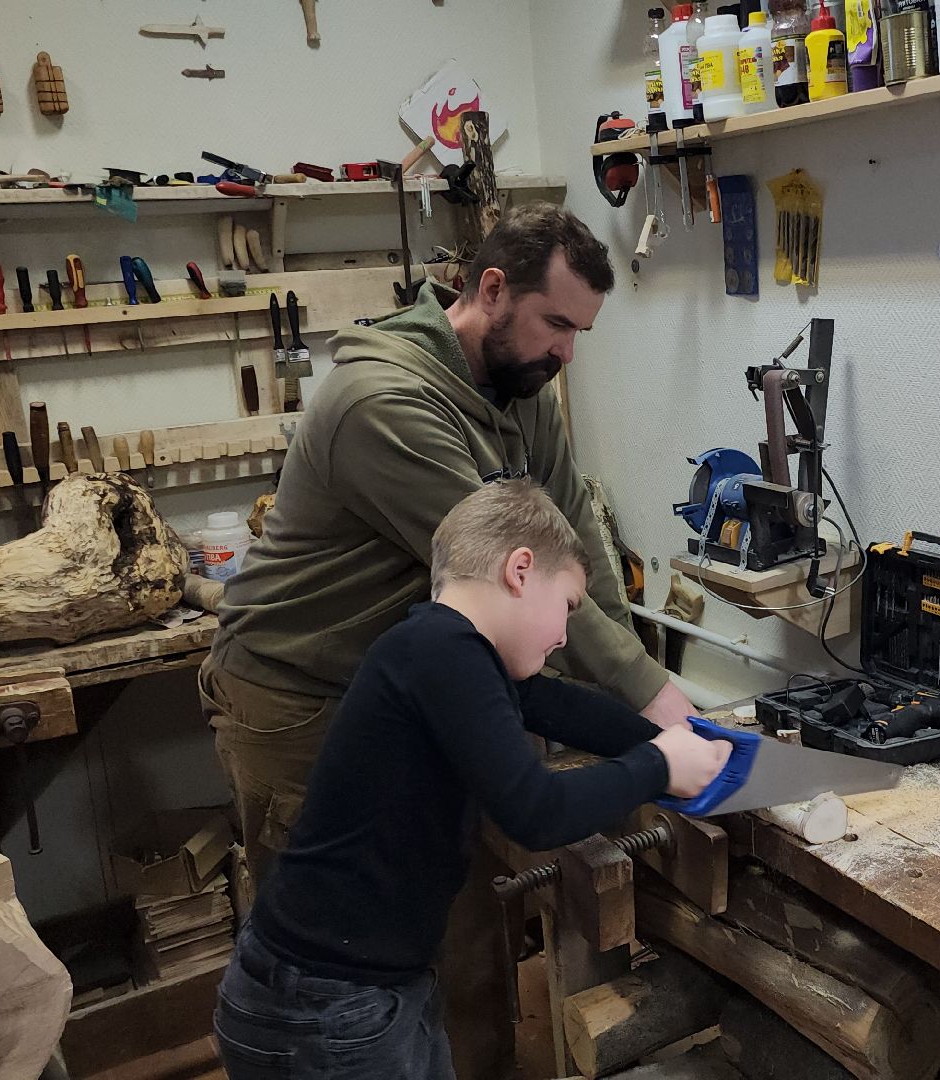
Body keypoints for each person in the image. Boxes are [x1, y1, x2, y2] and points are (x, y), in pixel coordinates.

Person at [201, 204, 696, 878]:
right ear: (492, 289)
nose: (567, 353)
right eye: (555, 323)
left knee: (446, 898)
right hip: (305, 698)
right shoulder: (383, 401)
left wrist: (642, 679)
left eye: (580, 331)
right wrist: (647, 698)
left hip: (417, 681)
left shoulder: (524, 391)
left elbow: (573, 547)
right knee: (341, 930)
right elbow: (508, 573)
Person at [213, 480, 731, 1079]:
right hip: (322, 1009)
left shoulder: (445, 650)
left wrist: (676, 743)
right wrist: (659, 765)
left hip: (369, 985)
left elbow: (556, 705)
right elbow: (535, 811)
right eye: (566, 605)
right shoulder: (443, 652)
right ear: (520, 570)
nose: (565, 634)